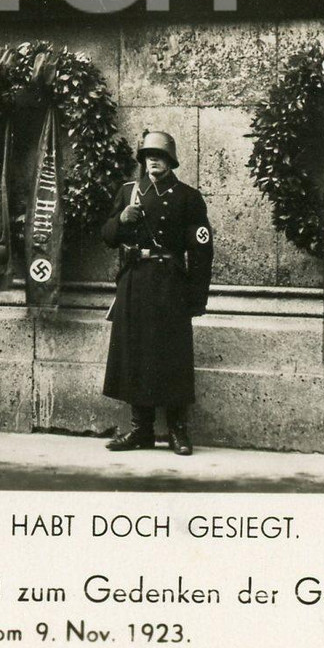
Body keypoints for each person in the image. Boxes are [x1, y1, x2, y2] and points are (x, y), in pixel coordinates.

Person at [101, 130, 213, 456]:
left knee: (173, 356)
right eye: (149, 156)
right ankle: (142, 430)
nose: (153, 160)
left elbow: (202, 252)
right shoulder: (128, 192)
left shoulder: (188, 197)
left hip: (170, 285)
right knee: (135, 354)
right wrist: (121, 220)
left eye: (160, 156)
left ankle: (177, 430)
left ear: (170, 161)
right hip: (135, 282)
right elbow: (107, 236)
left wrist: (196, 297)